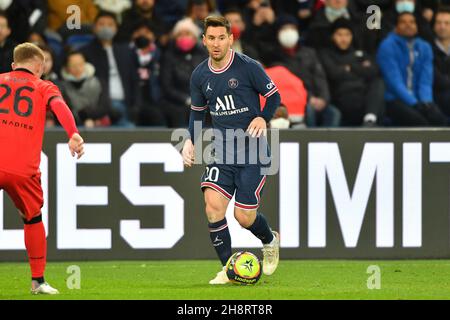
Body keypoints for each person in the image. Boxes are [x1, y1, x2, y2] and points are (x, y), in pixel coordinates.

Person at [182, 15, 280, 285]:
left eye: (221, 38)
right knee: (213, 207)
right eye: (211, 38)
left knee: (243, 217)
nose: (216, 43)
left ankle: (270, 240)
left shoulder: (249, 67)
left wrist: (263, 117)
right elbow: (197, 113)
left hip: (253, 152)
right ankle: (228, 268)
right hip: (222, 151)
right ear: (204, 41)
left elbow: (274, 97)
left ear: (231, 39)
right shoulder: (200, 75)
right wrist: (190, 141)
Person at [0, 43, 84, 294]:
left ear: (14, 65)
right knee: (32, 218)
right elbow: (59, 106)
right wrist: (74, 134)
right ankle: (38, 281)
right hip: (21, 169)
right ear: (41, 67)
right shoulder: (44, 86)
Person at [377, 12, 448, 126]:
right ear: (396, 27)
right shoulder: (387, 46)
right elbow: (394, 82)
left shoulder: (424, 47)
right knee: (421, 123)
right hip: (394, 99)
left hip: (419, 99)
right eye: (403, 22)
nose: (408, 25)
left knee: (440, 120)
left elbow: (426, 80)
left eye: (412, 22)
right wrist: (414, 103)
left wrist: (427, 102)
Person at [319, 18, 385, 126]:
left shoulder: (359, 53)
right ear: (332, 36)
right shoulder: (326, 54)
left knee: (378, 82)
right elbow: (334, 73)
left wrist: (350, 68)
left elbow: (374, 71)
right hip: (342, 98)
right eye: (339, 35)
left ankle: (369, 119)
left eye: (347, 34)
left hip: (363, 98)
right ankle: (370, 119)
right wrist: (360, 69)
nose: (343, 39)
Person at [81, 11, 138, 127]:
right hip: (101, 104)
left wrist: (136, 106)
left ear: (116, 28)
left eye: (110, 24)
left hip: (125, 102)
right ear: (94, 28)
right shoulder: (85, 52)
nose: (106, 27)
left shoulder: (126, 51)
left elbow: (134, 79)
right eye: (101, 24)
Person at [160, 18, 207, 127]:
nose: (184, 37)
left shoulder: (204, 56)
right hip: (177, 103)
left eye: (187, 34)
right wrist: (186, 99)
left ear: (195, 37)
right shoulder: (168, 57)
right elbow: (166, 86)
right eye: (180, 34)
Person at [432, 6, 450, 119]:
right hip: (436, 96)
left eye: (447, 23)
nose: (442, 27)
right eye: (439, 23)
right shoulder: (426, 48)